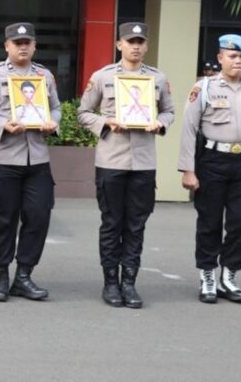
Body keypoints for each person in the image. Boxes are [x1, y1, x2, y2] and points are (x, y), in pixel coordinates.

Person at [78, 22, 175, 308]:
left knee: (136, 225)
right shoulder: (103, 77)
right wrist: (105, 123)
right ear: (119, 44)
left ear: (146, 46)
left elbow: (169, 110)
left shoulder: (157, 79)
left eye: (140, 41)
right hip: (111, 160)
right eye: (130, 41)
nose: (135, 46)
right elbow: (84, 112)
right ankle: (110, 283)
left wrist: (161, 123)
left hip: (144, 163)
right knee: (111, 223)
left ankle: (129, 283)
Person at [178, 34, 241, 304]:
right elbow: (189, 129)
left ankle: (229, 276)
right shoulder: (204, 88)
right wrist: (188, 169)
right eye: (232, 56)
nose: (238, 61)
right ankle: (208, 274)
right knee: (209, 221)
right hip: (212, 161)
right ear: (220, 58)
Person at [0, 22, 60, 302]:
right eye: (17, 43)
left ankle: (24, 275)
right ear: (6, 46)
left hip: (38, 160)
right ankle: (1, 275)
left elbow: (55, 107)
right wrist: (1, 125)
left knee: (38, 217)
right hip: (5, 158)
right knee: (4, 219)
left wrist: (52, 124)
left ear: (34, 46)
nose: (22, 47)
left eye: (27, 42)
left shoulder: (44, 76)